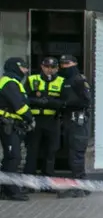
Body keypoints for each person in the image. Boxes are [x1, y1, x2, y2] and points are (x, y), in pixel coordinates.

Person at [23, 56, 64, 187]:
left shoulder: (62, 81)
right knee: (32, 152)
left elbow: (64, 101)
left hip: (53, 120)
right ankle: (29, 183)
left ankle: (48, 184)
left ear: (57, 68)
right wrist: (38, 102)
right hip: (35, 121)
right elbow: (24, 98)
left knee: (51, 152)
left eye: (52, 67)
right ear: (42, 66)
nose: (49, 70)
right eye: (47, 67)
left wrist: (50, 103)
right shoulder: (32, 79)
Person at [56, 54, 92, 199]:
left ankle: (79, 187)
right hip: (69, 121)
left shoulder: (78, 80)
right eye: (62, 64)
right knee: (72, 153)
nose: (64, 66)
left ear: (75, 64)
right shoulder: (65, 80)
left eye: (67, 63)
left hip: (77, 121)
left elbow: (86, 101)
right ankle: (80, 186)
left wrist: (65, 104)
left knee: (76, 154)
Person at [0, 57, 34, 202]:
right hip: (8, 124)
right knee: (13, 157)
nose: (26, 70)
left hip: (11, 124)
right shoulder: (9, 82)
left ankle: (5, 189)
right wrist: (30, 118)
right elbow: (19, 106)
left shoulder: (13, 82)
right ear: (15, 67)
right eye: (23, 67)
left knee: (10, 157)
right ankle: (11, 191)